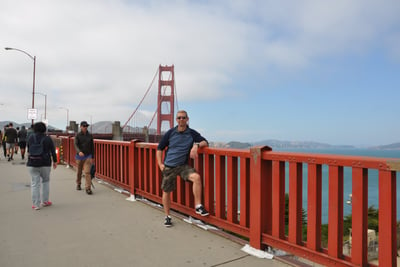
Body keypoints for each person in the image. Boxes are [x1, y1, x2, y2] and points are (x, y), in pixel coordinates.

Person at [156, 110, 209, 227]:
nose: (181, 120)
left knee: (196, 177)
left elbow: (205, 142)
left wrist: (196, 145)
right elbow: (159, 149)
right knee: (166, 191)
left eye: (183, 118)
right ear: (176, 120)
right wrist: (160, 164)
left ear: (187, 119)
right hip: (169, 166)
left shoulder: (191, 133)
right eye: (179, 118)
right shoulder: (170, 133)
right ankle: (167, 216)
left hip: (182, 166)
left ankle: (198, 206)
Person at [27, 122, 58, 210]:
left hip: (32, 163)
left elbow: (29, 149)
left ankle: (36, 204)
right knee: (45, 182)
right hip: (45, 163)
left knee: (35, 184)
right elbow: (52, 150)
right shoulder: (48, 138)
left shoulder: (31, 137)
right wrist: (55, 162)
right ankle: (45, 201)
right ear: (44, 129)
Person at [74, 121, 94, 195]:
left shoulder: (90, 135)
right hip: (79, 156)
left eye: (86, 126)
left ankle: (88, 188)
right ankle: (78, 183)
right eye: (84, 126)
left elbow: (92, 146)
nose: (85, 127)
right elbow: (75, 144)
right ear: (81, 127)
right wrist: (79, 152)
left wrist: (93, 156)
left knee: (87, 172)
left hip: (88, 156)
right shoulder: (78, 135)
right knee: (79, 172)